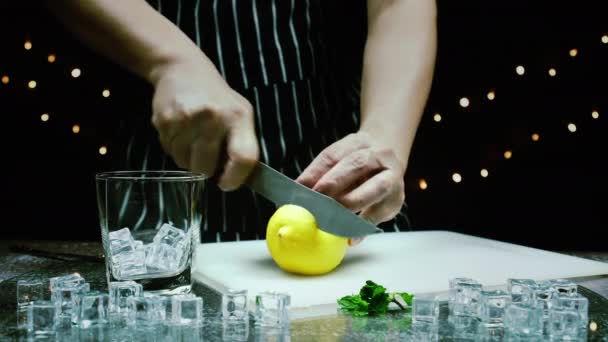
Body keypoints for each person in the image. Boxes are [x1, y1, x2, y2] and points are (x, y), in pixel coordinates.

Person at [47, 0, 437, 244]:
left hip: (337, 171)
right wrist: (171, 61)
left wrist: (383, 135)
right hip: (167, 182)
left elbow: (398, 5)